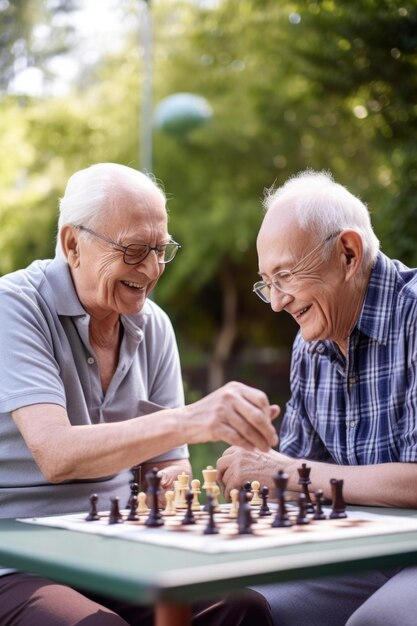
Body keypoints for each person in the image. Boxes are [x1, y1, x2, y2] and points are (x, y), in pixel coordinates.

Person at [0, 162, 278, 625]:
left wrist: (176, 489)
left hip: (116, 549)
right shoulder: (13, 307)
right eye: (133, 251)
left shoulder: (154, 324)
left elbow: (167, 466)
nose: (151, 270)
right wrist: (193, 419)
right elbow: (56, 453)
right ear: (73, 244)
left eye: (160, 249)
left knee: (241, 608)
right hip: (18, 559)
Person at [217, 169, 417, 626]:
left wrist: (281, 470)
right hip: (368, 549)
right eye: (266, 281)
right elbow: (298, 480)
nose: (275, 302)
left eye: (284, 275)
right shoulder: (310, 344)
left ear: (348, 253)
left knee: (378, 622)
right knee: (241, 607)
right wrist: (254, 477)